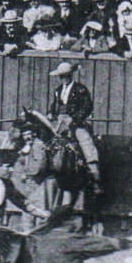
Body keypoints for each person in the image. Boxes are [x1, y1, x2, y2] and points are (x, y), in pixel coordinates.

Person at [47, 62, 102, 195]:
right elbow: (55, 105)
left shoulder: (80, 89)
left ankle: (95, 176)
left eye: (65, 76)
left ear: (70, 75)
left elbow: (87, 107)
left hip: (75, 122)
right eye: (61, 76)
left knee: (86, 142)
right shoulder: (58, 90)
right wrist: (51, 113)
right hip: (60, 122)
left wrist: (74, 118)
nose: (63, 79)